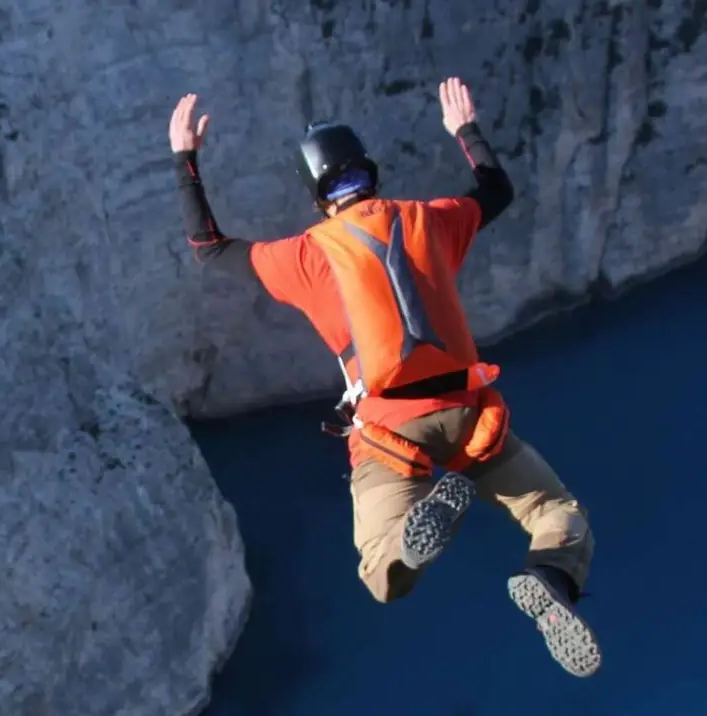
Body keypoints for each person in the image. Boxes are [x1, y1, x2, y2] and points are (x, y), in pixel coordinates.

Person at [166, 78, 600, 677]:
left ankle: (407, 544)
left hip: (390, 433)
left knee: (381, 575)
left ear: (317, 195)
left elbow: (208, 247)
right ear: (370, 172)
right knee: (556, 511)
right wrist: (465, 130)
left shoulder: (306, 255)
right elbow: (496, 189)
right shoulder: (433, 220)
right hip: (470, 415)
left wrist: (185, 158)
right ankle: (549, 580)